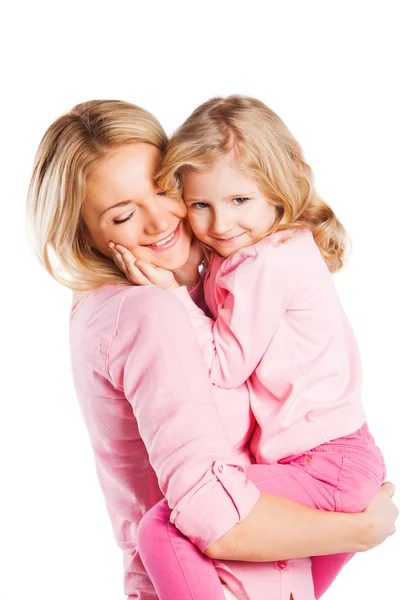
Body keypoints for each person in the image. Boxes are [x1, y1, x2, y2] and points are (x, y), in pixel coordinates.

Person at [26, 99, 398, 600]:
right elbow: (212, 519)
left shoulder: (213, 282)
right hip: (215, 577)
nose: (160, 223)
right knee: (162, 526)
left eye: (164, 190)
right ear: (86, 238)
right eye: (123, 215)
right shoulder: (151, 309)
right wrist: (363, 530)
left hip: (263, 568)